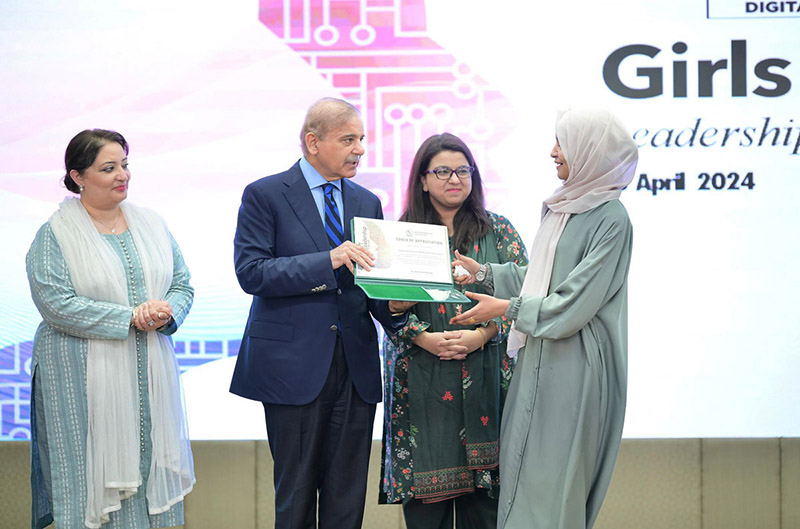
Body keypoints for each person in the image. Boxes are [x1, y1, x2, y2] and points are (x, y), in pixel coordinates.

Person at [450, 108, 638, 529]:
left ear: (590, 150)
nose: (553, 152)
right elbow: (541, 279)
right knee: (524, 476)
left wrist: (506, 310)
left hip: (576, 366)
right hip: (538, 358)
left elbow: (573, 302)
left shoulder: (611, 218)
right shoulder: (562, 208)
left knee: (557, 481)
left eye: (563, 143)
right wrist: (483, 273)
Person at [230, 97, 411, 529]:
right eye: (349, 139)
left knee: (347, 498)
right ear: (313, 142)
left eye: (362, 139)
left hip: (355, 368)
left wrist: (400, 308)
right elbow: (251, 273)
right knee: (294, 498)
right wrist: (326, 261)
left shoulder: (367, 201)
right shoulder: (265, 194)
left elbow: (372, 288)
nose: (360, 149)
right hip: (292, 370)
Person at [26, 129, 195, 529]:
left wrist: (166, 312)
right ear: (78, 176)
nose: (122, 175)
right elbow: (56, 304)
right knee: (87, 483)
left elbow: (182, 283)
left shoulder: (151, 223)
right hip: (79, 382)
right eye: (108, 168)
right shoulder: (55, 235)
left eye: (124, 164)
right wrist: (129, 318)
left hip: (150, 378)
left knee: (150, 468)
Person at [378, 133, 528, 529]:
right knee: (429, 517)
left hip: (488, 384)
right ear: (423, 180)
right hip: (423, 389)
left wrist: (482, 335)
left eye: (463, 170)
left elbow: (530, 297)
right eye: (442, 170)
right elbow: (384, 308)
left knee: (488, 514)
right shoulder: (400, 234)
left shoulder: (499, 231)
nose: (454, 178)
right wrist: (422, 336)